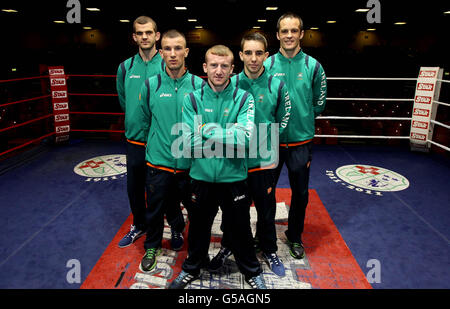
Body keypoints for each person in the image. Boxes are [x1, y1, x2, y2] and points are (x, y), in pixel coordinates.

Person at [169, 45, 266, 289]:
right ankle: (192, 268)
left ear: (233, 69)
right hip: (201, 177)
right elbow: (189, 142)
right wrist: (227, 133)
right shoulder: (192, 99)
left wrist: (205, 130)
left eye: (224, 66)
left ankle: (252, 272)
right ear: (205, 67)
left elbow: (244, 138)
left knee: (241, 229)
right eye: (214, 65)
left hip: (233, 178)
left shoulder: (244, 98)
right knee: (199, 229)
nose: (219, 71)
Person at [208, 33, 291, 277]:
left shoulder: (277, 84)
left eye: (259, 53)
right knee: (234, 210)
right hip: (236, 159)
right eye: (249, 53)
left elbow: (284, 116)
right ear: (241, 55)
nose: (254, 58)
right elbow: (221, 116)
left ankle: (269, 248)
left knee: (266, 208)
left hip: (264, 159)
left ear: (266, 55)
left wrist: (268, 141)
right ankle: (227, 246)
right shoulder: (231, 83)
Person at [138, 29, 205, 272]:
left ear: (186, 52)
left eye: (178, 48)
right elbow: (145, 120)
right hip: (159, 162)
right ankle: (152, 246)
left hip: (191, 165)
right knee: (154, 210)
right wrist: (156, 147)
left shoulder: (199, 85)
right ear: (161, 52)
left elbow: (203, 125)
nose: (173, 54)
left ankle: (193, 246)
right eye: (167, 49)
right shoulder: (151, 85)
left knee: (197, 212)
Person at [116, 16, 183, 249]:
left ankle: (175, 226)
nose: (144, 37)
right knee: (134, 187)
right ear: (134, 37)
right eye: (139, 33)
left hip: (162, 140)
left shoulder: (167, 64)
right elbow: (126, 102)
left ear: (157, 35)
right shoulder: (125, 67)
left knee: (168, 188)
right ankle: (139, 224)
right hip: (135, 139)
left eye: (149, 32)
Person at [264, 12, 327, 259]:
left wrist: (301, 118)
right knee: (265, 192)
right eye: (284, 31)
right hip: (270, 141)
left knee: (300, 193)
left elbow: (319, 103)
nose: (289, 35)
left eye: (294, 31)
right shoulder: (267, 65)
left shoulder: (314, 66)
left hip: (301, 141)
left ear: (301, 34)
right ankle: (264, 236)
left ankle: (295, 236)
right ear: (278, 34)